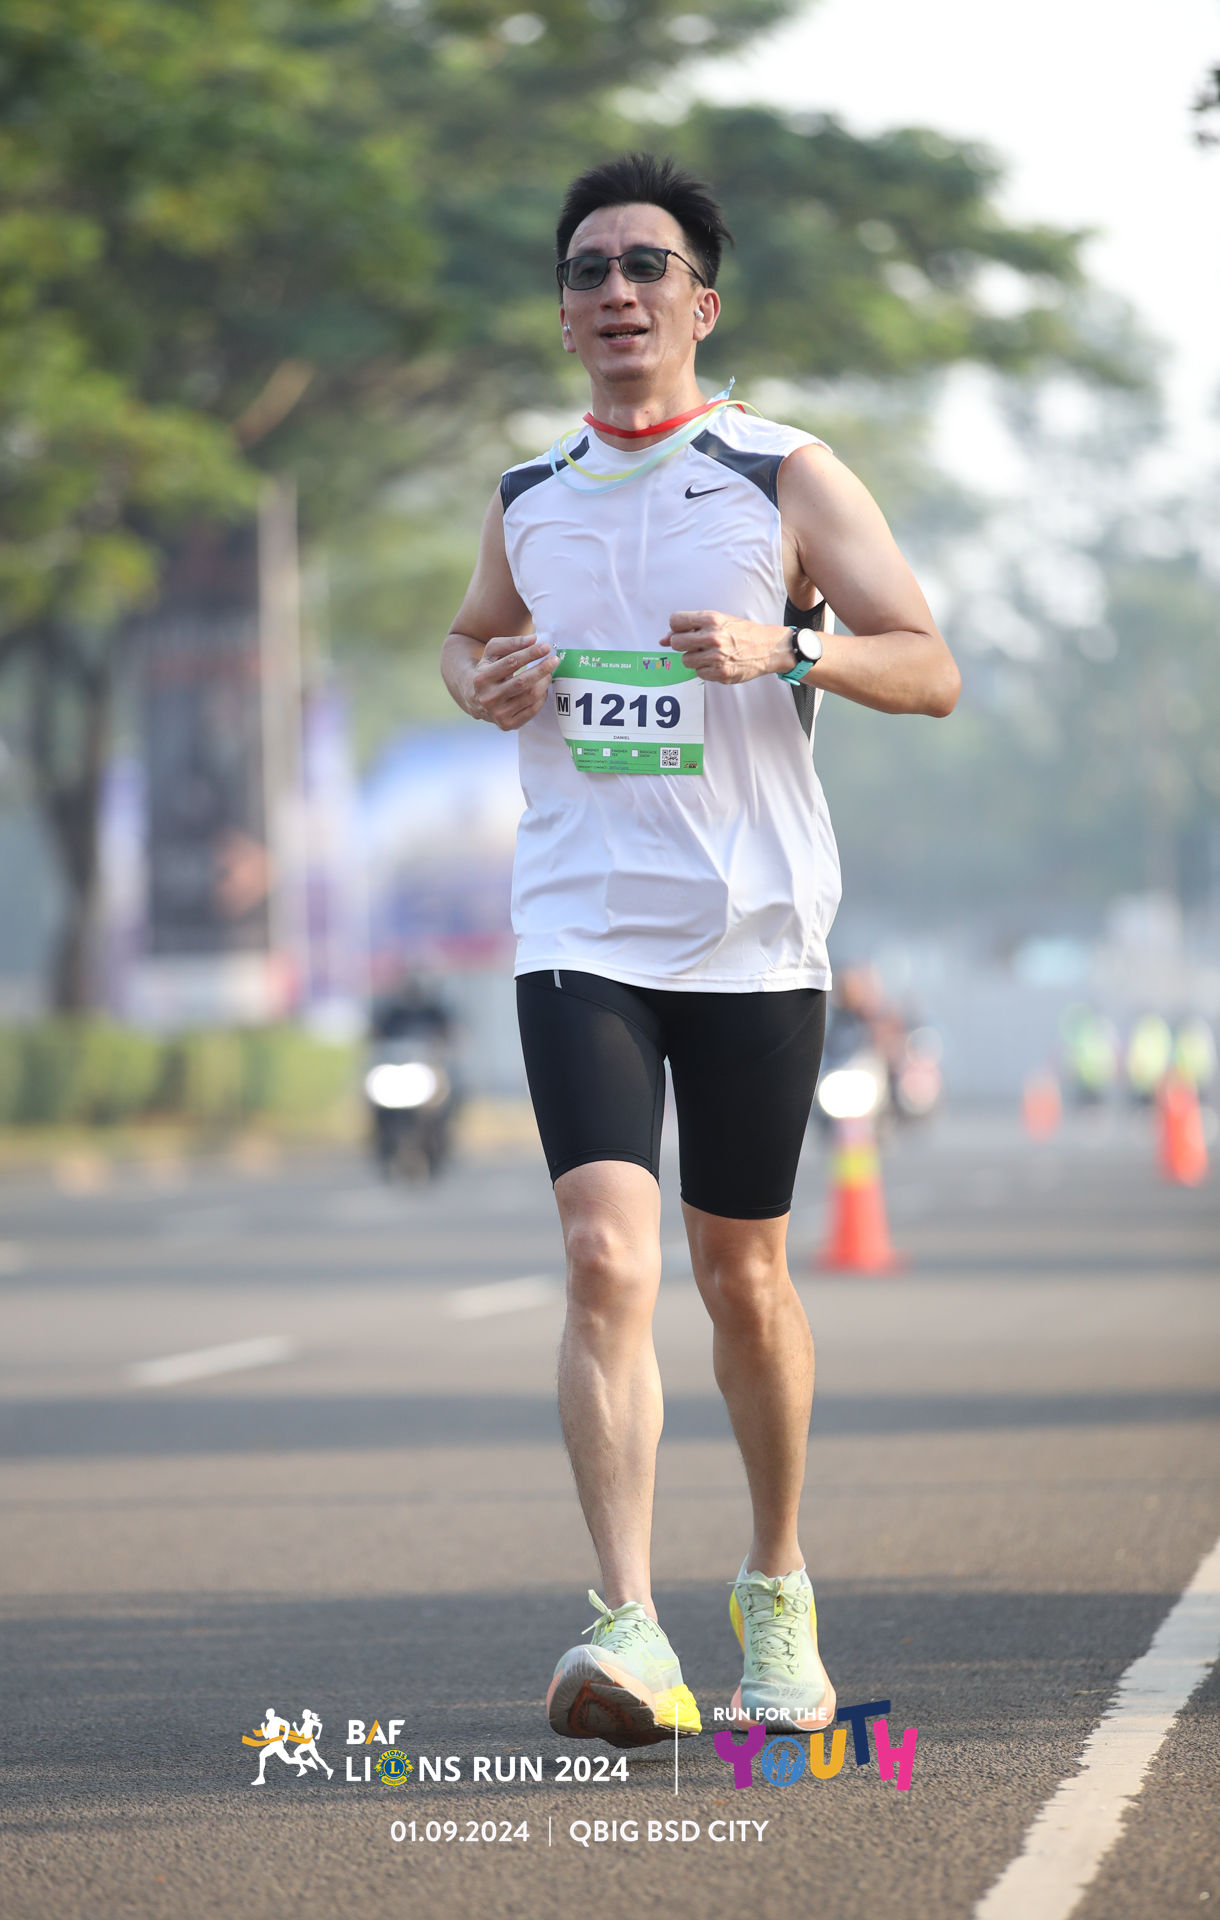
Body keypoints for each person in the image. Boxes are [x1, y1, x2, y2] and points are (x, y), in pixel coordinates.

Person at [441, 152, 959, 1749]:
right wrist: (482, 681)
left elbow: (929, 665)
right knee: (606, 1256)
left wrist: (789, 646)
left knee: (742, 1276)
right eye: (588, 269)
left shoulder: (781, 471)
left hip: (753, 931)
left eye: (645, 266)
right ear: (564, 313)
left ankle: (777, 1585)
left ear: (700, 303)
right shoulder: (528, 496)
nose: (615, 290)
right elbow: (468, 639)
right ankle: (628, 1624)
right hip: (580, 922)